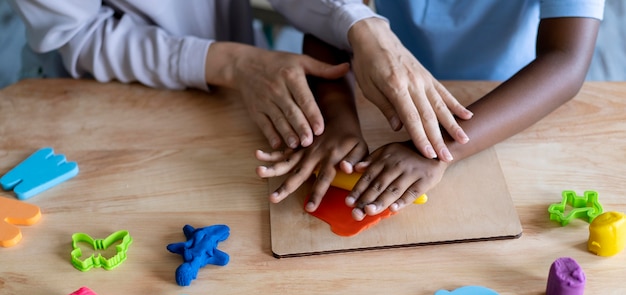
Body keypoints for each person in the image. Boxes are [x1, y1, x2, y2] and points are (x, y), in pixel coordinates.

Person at [257, 0, 605, 221]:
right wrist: (337, 114)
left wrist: (440, 149)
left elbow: (566, 62)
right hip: (382, 79)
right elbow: (332, 16)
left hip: (507, 95)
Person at [7, 0, 470, 160]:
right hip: (102, 93)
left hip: (231, 82)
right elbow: (80, 34)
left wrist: (361, 25)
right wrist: (228, 64)